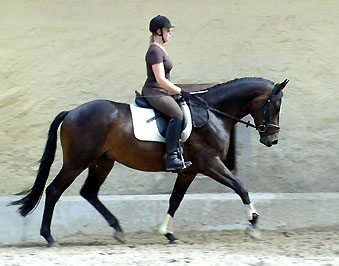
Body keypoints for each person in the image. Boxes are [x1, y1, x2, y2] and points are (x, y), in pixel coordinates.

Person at [142, 15, 191, 171]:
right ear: (158, 31)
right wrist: (180, 91)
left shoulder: (161, 49)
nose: (170, 33)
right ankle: (171, 157)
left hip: (162, 91)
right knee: (177, 115)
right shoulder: (155, 51)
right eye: (167, 30)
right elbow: (160, 79)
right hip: (154, 91)